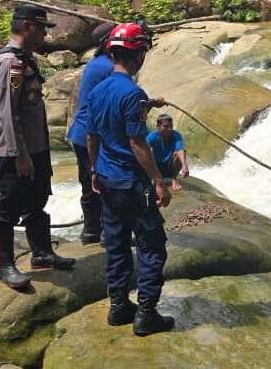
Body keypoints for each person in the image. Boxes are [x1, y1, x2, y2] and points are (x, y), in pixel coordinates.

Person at [86, 22, 175, 336]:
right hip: (132, 183)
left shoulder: (97, 90)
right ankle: (146, 313)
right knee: (152, 246)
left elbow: (92, 136)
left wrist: (94, 170)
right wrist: (159, 181)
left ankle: (119, 306)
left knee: (117, 243)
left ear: (112, 53)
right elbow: (137, 143)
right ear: (139, 55)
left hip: (107, 179)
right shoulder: (133, 93)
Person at [0, 5, 76, 289]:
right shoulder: (10, 64)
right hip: (15, 152)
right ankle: (5, 265)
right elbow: (7, 112)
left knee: (38, 200)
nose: (44, 35)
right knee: (8, 207)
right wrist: (20, 154)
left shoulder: (25, 60)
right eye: (41, 29)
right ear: (26, 26)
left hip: (36, 148)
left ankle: (42, 253)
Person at [66, 22, 115, 244]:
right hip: (94, 134)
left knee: (89, 183)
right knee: (104, 182)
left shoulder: (96, 63)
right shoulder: (109, 67)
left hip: (80, 132)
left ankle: (91, 230)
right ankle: (107, 232)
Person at [146, 113, 189, 191]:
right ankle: (154, 178)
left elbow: (180, 150)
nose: (169, 129)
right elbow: (143, 152)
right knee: (148, 151)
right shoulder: (151, 137)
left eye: (171, 126)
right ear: (158, 127)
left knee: (180, 153)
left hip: (169, 167)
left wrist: (184, 165)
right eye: (165, 126)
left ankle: (174, 179)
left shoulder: (176, 135)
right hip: (155, 167)